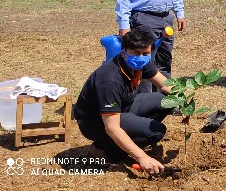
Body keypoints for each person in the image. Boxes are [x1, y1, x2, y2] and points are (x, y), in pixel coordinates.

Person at [74, 29, 173, 174]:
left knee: (168, 100)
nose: (141, 57)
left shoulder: (142, 62)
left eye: (145, 53)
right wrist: (142, 157)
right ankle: (104, 149)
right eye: (136, 53)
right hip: (95, 122)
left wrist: (184, 99)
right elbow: (111, 127)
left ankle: (129, 138)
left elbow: (165, 84)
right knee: (156, 132)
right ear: (123, 52)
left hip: (124, 107)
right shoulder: (109, 79)